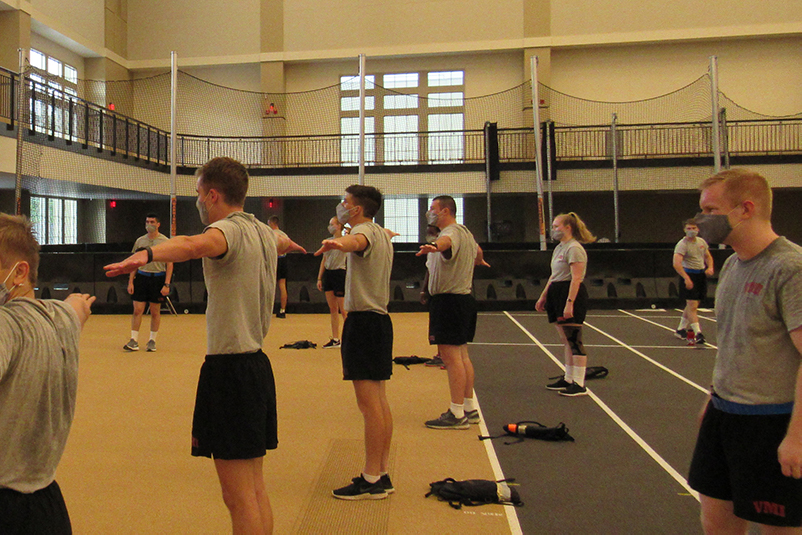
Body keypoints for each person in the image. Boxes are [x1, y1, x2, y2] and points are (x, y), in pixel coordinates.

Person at [105, 157, 302, 534]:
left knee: (238, 496)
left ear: (213, 195)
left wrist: (146, 255)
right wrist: (290, 244)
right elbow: (282, 241)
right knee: (255, 489)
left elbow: (193, 245)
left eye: (197, 193)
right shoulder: (263, 231)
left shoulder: (224, 231)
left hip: (230, 372)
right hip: (256, 368)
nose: (197, 201)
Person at [688, 169, 802, 532]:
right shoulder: (734, 265)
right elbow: (736, 341)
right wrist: (714, 394)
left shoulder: (790, 269)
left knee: (777, 528)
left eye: (710, 209)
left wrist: (797, 437)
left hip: (772, 423)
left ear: (746, 209)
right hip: (725, 415)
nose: (701, 220)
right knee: (714, 517)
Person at [0, 214, 95, 534]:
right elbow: (76, 310)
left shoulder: (6, 325)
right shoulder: (59, 318)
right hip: (47, 506)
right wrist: (79, 304)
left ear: (19, 273)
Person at [314, 184, 394, 500]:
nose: (342, 205)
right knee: (379, 401)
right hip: (378, 322)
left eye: (345, 202)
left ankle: (372, 477)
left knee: (369, 405)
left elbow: (355, 241)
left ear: (357, 209)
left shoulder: (366, 234)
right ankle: (381, 472)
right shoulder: (380, 233)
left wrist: (339, 242)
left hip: (364, 324)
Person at [417, 195, 489, 429]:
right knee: (462, 357)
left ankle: (456, 414)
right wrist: (478, 259)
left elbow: (446, 242)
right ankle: (469, 408)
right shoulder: (467, 233)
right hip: (463, 300)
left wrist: (436, 246)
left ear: (446, 211)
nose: (430, 212)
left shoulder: (451, 233)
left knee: (452, 360)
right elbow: (477, 250)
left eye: (433, 209)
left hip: (449, 302)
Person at [536, 212, 596, 397]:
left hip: (570, 292)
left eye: (556, 226)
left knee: (574, 339)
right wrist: (543, 296)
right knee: (565, 339)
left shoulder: (575, 249)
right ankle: (568, 377)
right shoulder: (559, 248)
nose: (553, 230)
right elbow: (554, 275)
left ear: (568, 228)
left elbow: (576, 278)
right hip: (557, 290)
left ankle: (579, 383)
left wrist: (569, 304)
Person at [123, 213, 173, 352]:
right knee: (137, 310)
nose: (149, 224)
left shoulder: (165, 241)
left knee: (155, 311)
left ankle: (152, 340)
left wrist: (166, 284)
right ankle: (134, 340)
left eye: (152, 222)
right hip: (142, 277)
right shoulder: (140, 241)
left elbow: (169, 264)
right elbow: (134, 262)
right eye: (147, 222)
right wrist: (131, 281)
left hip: (158, 278)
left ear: (158, 224)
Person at [672, 218, 714, 345]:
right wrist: (686, 278)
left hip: (700, 275)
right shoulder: (682, 244)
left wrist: (710, 267)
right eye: (689, 229)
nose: (691, 231)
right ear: (684, 230)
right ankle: (698, 333)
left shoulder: (701, 242)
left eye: (694, 228)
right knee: (692, 305)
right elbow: (676, 263)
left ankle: (680, 329)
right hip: (689, 274)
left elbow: (707, 256)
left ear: (698, 229)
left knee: (693, 305)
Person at [268, 216, 308, 318]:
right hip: (283, 260)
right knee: (282, 285)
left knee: (269, 286)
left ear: (271, 223)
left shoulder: (270, 233)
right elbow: (290, 244)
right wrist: (300, 248)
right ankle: (283, 310)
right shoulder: (284, 235)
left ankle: (267, 310)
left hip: (274, 260)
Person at [317, 216, 347, 348]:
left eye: (332, 224)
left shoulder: (345, 240)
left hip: (339, 274)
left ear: (339, 226)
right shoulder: (327, 241)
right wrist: (319, 278)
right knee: (333, 308)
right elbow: (323, 260)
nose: (330, 227)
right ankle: (335, 339)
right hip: (328, 274)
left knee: (344, 310)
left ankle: (350, 338)